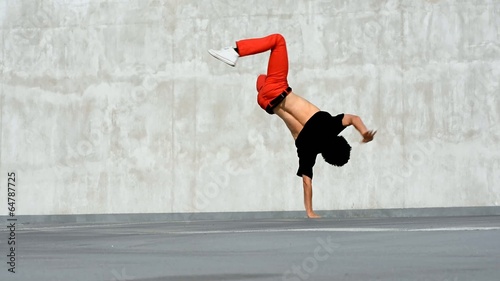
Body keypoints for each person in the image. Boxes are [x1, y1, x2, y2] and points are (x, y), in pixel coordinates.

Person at [208, 34, 376, 218]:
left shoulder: (331, 127)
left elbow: (353, 118)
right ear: (327, 157)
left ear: (339, 140)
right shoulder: (309, 152)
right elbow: (307, 183)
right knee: (260, 80)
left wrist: (364, 133)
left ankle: (234, 52)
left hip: (277, 88)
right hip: (266, 103)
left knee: (278, 40)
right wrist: (310, 212)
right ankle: (253, 75)